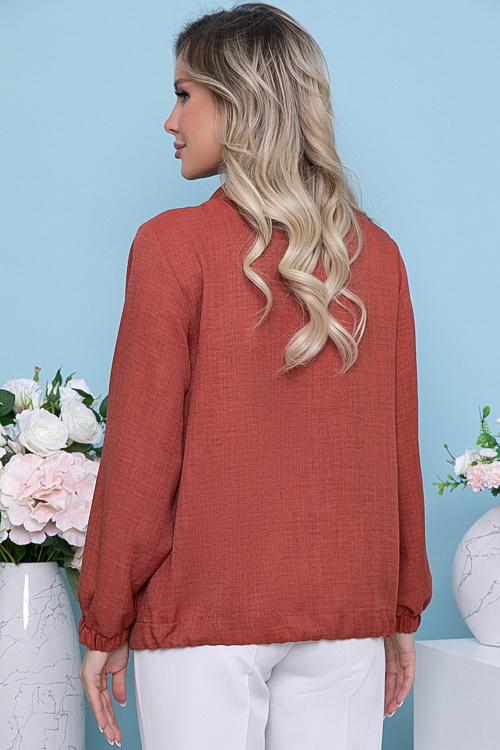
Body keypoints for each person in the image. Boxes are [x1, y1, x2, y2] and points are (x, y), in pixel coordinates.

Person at [78, 4, 432, 749]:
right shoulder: (378, 254)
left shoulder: (171, 246)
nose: (170, 121)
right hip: (347, 611)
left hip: (203, 617)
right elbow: (398, 445)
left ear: (237, 104)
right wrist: (401, 608)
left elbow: (142, 454)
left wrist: (105, 621)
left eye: (184, 95)